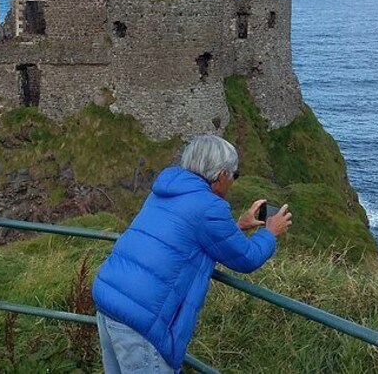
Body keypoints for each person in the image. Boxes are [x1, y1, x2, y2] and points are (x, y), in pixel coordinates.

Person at [92, 134, 292, 373]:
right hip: (141, 316)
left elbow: (186, 235)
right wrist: (270, 232)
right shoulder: (209, 206)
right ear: (221, 176)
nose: (233, 181)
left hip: (110, 297)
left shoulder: (165, 190)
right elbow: (246, 258)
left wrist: (238, 226)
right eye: (234, 175)